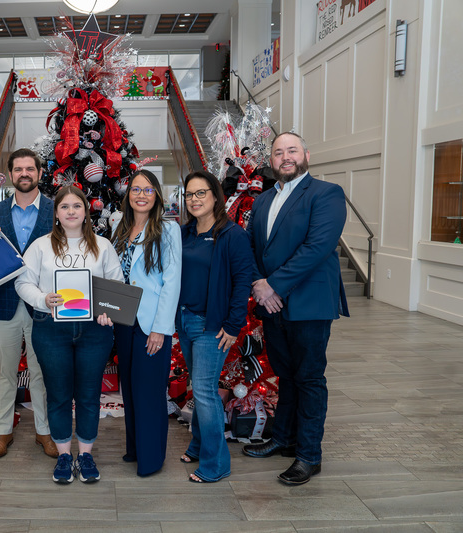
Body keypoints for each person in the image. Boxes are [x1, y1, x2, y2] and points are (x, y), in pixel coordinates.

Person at [243, 132, 348, 485]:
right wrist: (260, 284)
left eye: (292, 150)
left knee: (309, 379)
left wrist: (273, 285)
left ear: (306, 154)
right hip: (271, 304)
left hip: (309, 303)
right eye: (278, 152)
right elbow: (253, 248)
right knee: (286, 376)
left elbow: (318, 247)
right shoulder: (262, 200)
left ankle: (308, 455)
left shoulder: (325, 193)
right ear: (271, 161)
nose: (285, 157)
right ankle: (283, 439)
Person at [14, 186, 122, 484]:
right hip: (51, 328)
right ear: (57, 214)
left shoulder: (103, 246)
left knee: (88, 395)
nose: (71, 211)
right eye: (65, 207)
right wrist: (42, 299)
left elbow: (116, 283)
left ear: (86, 211)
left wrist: (106, 309)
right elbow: (23, 284)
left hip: (94, 331)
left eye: (77, 206)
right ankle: (63, 456)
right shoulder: (40, 246)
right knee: (59, 395)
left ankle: (85, 455)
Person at [175, 170, 254, 483]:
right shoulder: (184, 233)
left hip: (213, 326)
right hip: (185, 320)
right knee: (198, 387)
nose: (194, 200)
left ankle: (217, 462)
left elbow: (242, 282)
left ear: (215, 196)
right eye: (190, 194)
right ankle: (198, 444)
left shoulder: (232, 235)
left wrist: (233, 325)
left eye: (201, 193)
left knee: (205, 391)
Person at [0, 148, 57, 460]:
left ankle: (44, 432)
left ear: (39, 173)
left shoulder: (55, 210)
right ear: (10, 175)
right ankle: (2, 433)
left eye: (30, 169)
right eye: (18, 169)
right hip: (5, 303)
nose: (24, 174)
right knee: (6, 372)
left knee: (41, 373)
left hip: (44, 306)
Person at [110, 169, 181, 476]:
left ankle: (151, 460)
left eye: (148, 190)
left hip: (150, 322)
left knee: (149, 391)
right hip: (123, 319)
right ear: (128, 195)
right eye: (136, 189)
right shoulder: (118, 226)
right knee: (129, 388)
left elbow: (172, 282)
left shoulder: (168, 229)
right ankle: (135, 448)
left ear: (157, 195)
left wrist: (160, 328)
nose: (141, 195)